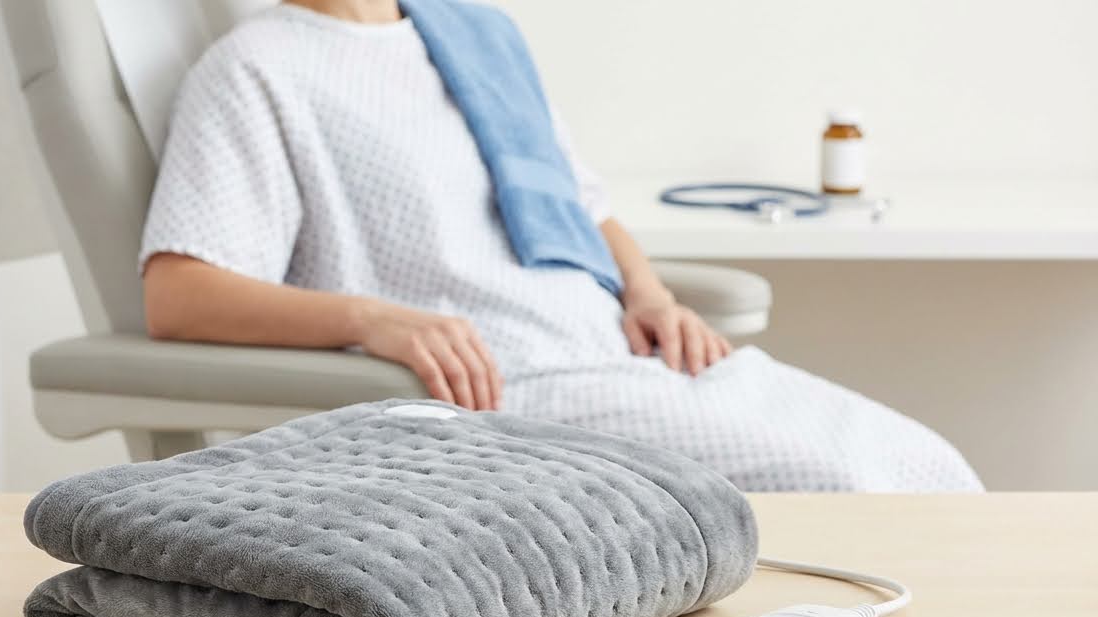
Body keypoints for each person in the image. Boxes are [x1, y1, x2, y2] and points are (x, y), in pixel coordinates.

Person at [139, 0, 982, 492]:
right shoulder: (256, 67)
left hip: (628, 354)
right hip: (514, 390)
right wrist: (374, 320)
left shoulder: (472, 36)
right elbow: (181, 295)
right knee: (853, 494)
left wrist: (649, 293)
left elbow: (582, 209)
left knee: (930, 467)